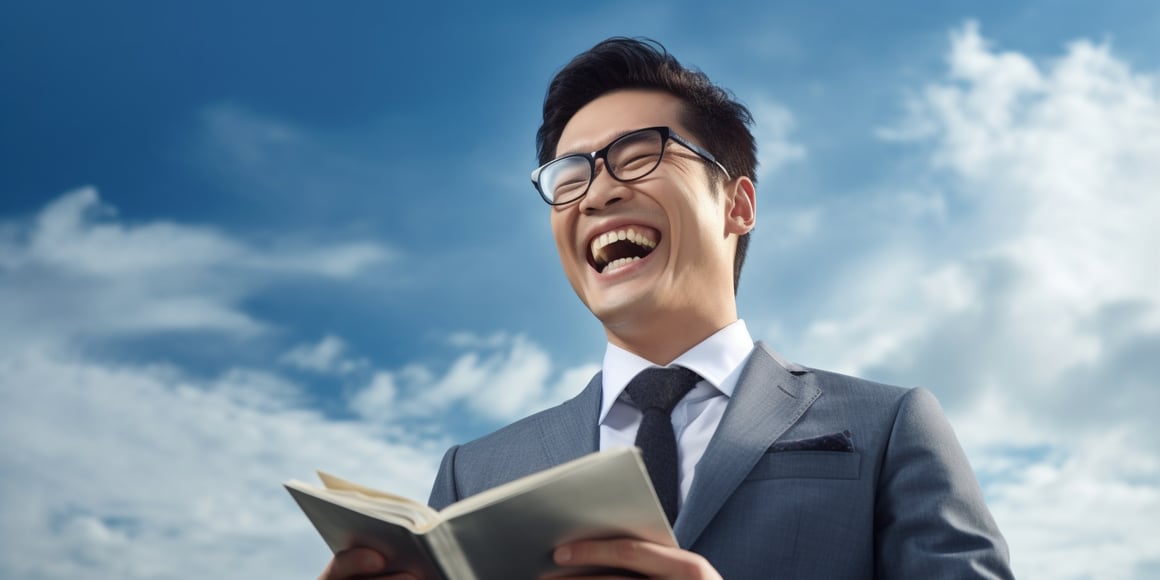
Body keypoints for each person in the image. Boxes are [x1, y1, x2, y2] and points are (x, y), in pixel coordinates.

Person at [321, 37, 1012, 580]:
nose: (597, 194)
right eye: (571, 176)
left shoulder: (888, 427)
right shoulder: (474, 475)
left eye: (637, 154)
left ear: (737, 204)